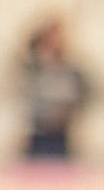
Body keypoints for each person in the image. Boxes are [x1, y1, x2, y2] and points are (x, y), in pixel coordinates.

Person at [14, 14, 90, 161]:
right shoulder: (33, 68)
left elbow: (82, 96)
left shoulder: (71, 70)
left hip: (61, 136)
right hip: (37, 136)